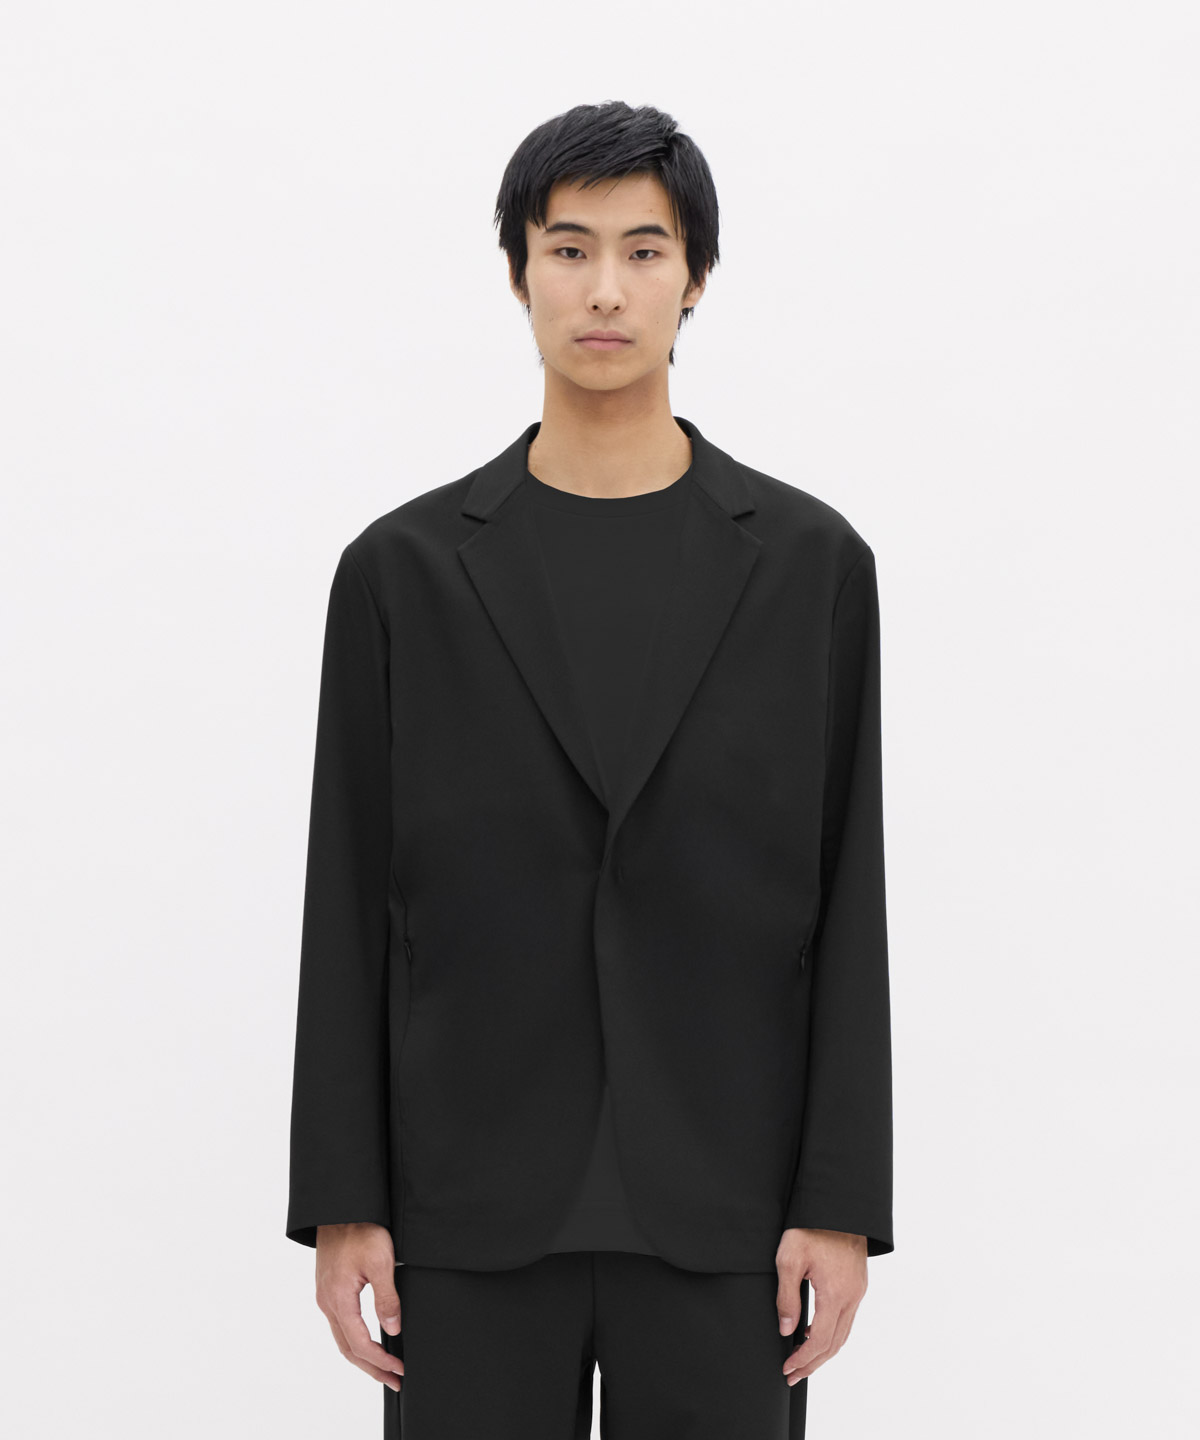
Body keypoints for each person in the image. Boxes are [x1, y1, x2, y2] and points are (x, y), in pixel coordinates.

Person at [286, 99, 894, 1439]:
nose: (605, 289)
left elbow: (849, 892)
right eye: (568, 250)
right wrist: (343, 1199)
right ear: (519, 273)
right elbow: (350, 894)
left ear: (696, 277)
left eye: (644, 250)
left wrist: (841, 1201)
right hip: (464, 1203)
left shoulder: (811, 568)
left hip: (732, 1210)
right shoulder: (401, 573)